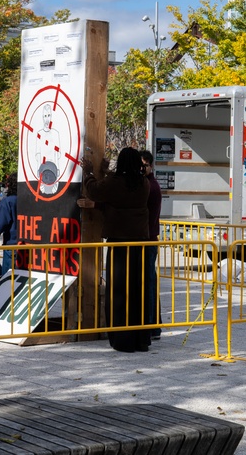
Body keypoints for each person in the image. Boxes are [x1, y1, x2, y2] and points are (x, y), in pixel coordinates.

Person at [83, 147, 152, 353]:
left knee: (119, 292)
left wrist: (89, 173)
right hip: (140, 243)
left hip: (119, 244)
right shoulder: (144, 184)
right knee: (138, 292)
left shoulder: (116, 182)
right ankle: (141, 339)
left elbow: (96, 190)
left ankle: (122, 339)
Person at [140, 150, 163, 340]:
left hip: (147, 241)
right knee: (149, 283)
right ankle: (153, 325)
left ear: (151, 166)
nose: (141, 169)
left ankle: (150, 325)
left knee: (148, 283)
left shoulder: (150, 187)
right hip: (147, 240)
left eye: (144, 165)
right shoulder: (146, 184)